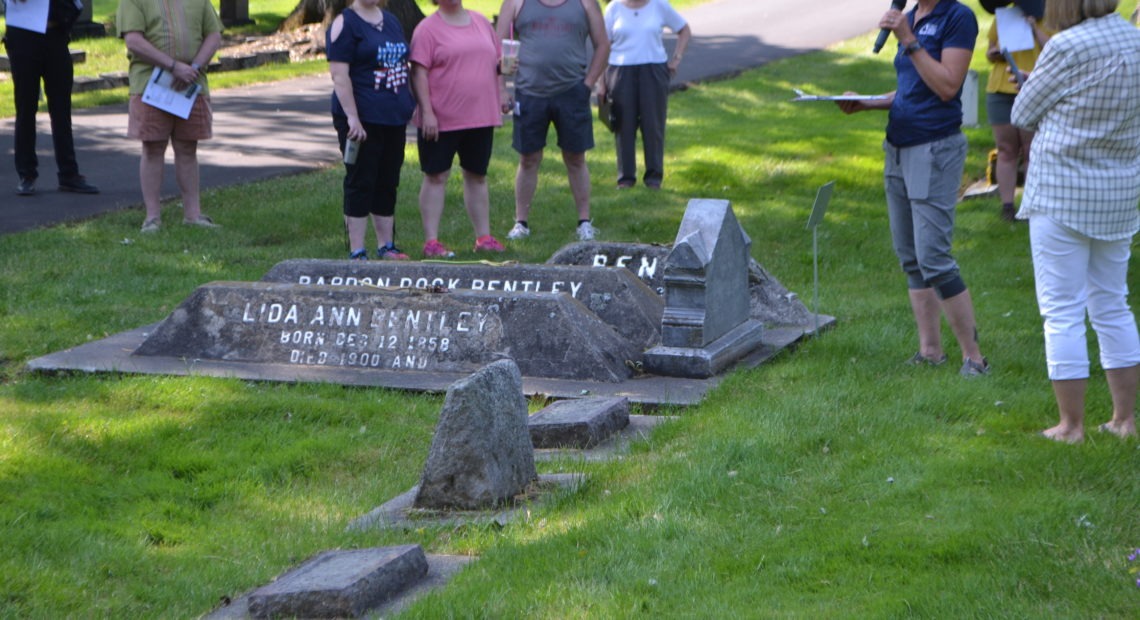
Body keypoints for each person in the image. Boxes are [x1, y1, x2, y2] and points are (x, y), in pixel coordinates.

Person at [837, 0, 989, 377]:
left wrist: (909, 41)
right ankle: (930, 351)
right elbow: (912, 87)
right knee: (910, 256)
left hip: (934, 148)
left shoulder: (958, 17)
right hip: (898, 147)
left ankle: (975, 358)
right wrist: (868, 103)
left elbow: (947, 85)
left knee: (934, 256)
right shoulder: (910, 17)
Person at [1010, 0, 1140, 443]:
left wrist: (1033, 87)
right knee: (1112, 304)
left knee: (1061, 311)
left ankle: (1071, 427)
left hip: (1063, 193)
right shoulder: (1134, 38)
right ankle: (1124, 421)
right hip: (1120, 192)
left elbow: (1022, 114)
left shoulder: (1066, 45)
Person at [496, 0, 610, 241]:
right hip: (529, 93)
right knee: (528, 158)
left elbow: (603, 46)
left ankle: (584, 222)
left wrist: (588, 84)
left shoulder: (586, 3)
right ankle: (521, 223)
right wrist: (501, 89)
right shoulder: (515, 3)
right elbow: (497, 49)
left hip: (572, 93)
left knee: (576, 158)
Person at [410, 0, 506, 258]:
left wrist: (503, 92)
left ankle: (484, 238)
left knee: (477, 175)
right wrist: (427, 112)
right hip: (441, 118)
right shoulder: (427, 29)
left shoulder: (481, 23)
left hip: (480, 115)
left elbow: (498, 64)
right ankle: (431, 242)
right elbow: (418, 73)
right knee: (436, 176)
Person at [117, 0, 223, 232]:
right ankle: (152, 217)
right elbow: (133, 40)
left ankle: (193, 215)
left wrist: (193, 67)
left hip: (191, 83)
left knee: (187, 147)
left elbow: (213, 35)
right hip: (150, 84)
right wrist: (174, 67)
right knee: (153, 148)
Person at [327, 0, 416, 260]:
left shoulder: (390, 20)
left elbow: (403, 64)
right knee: (361, 179)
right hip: (362, 120)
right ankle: (357, 250)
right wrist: (352, 117)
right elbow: (340, 76)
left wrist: (412, 102)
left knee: (387, 180)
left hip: (392, 117)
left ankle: (386, 245)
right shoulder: (345, 23)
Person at [4, 0, 99, 196]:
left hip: (55, 33)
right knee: (26, 107)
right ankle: (26, 174)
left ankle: (69, 174)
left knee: (61, 109)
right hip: (24, 35)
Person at [602, 0, 690, 190]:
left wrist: (676, 59)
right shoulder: (614, 8)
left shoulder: (659, 5)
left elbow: (684, 30)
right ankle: (625, 178)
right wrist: (601, 81)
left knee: (653, 124)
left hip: (653, 69)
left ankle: (654, 178)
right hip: (620, 70)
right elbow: (603, 45)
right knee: (623, 125)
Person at [980, 0, 1049, 222]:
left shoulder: (1051, 16)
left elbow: (1056, 49)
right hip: (1001, 88)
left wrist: (1034, 29)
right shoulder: (1004, 16)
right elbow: (989, 51)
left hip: (1033, 87)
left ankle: (1031, 206)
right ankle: (1007, 206)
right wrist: (994, 53)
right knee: (1006, 149)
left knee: (1031, 150)